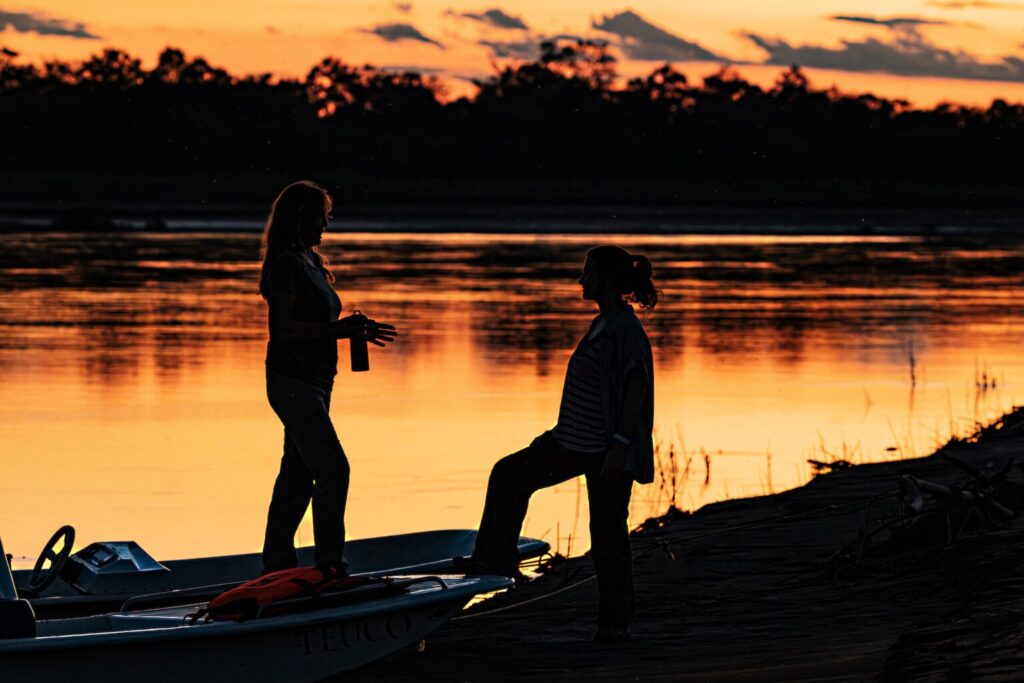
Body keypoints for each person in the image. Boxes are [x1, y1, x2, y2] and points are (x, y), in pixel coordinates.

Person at [461, 245, 657, 643]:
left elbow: (636, 388)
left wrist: (620, 446)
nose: (581, 280)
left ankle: (614, 624)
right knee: (509, 475)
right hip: (572, 441)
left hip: (604, 451)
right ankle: (496, 561)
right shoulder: (603, 322)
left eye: (588, 273)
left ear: (608, 281)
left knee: (607, 533)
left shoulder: (625, 329)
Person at [257, 180, 396, 573]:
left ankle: (277, 564)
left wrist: (356, 329)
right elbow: (282, 330)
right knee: (334, 468)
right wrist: (339, 330)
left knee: (298, 474)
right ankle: (330, 564)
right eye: (321, 216)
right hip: (292, 381)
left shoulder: (310, 260)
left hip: (318, 382)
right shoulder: (286, 263)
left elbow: (321, 321)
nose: (325, 225)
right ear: (301, 217)